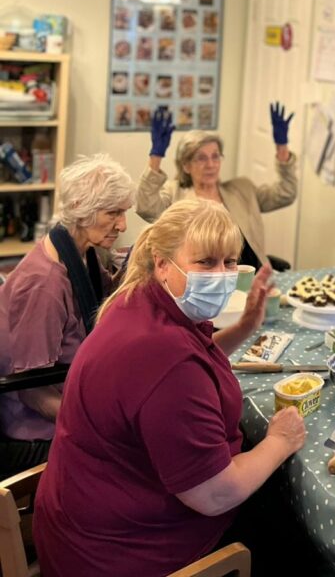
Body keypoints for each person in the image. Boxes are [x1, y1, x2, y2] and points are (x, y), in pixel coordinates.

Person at [34, 198, 307, 577]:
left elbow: (195, 359)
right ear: (163, 263)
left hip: (83, 519)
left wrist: (246, 326)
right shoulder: (165, 359)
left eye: (230, 262)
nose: (222, 275)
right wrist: (280, 440)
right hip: (120, 555)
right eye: (206, 262)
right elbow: (215, 495)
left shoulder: (140, 300)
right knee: (294, 534)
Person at [0, 154, 135, 477]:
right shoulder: (44, 286)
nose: (123, 225)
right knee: (138, 455)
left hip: (75, 393)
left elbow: (108, 302)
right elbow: (32, 391)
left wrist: (138, 266)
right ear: (79, 208)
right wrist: (98, 427)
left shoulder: (80, 252)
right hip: (35, 429)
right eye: (113, 213)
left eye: (123, 213)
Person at [136, 103, 297, 269]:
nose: (210, 165)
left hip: (252, 276)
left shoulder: (242, 189)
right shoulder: (174, 194)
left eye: (215, 156)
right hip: (204, 278)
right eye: (201, 158)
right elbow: (145, 207)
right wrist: (156, 156)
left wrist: (282, 148)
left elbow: (286, 193)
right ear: (186, 165)